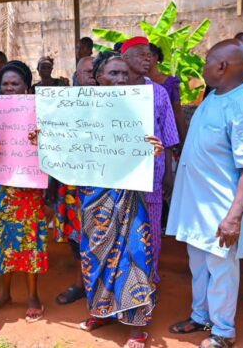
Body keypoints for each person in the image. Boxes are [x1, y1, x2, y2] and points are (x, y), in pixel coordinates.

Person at [167, 39, 243, 348]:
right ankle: (201, 317)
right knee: (198, 264)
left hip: (222, 207)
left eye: (208, 62)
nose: (203, 67)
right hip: (197, 204)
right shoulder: (214, 97)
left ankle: (223, 332)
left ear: (222, 66)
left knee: (221, 269)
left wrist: (233, 218)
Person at [70, 51, 169, 348]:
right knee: (95, 255)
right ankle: (102, 311)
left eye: (124, 74)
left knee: (133, 252)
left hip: (128, 193)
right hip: (93, 194)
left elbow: (145, 147)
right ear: (98, 78)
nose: (121, 79)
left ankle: (137, 323)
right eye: (113, 74)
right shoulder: (82, 109)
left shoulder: (136, 108)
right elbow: (68, 143)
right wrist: (46, 140)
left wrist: (154, 148)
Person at [0, 60, 48, 323]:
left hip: (29, 186)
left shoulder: (39, 110)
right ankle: (5, 293)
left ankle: (33, 295)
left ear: (27, 87)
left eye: (15, 84)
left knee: (29, 240)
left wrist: (41, 138)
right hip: (3, 185)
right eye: (5, 84)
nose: (9, 89)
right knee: (4, 240)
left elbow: (53, 143)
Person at [121, 37, 180, 283]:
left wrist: (167, 173)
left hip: (152, 174)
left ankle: (148, 278)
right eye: (140, 54)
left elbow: (167, 136)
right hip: (118, 175)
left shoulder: (158, 92)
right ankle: (123, 278)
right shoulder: (111, 93)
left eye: (149, 55)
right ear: (124, 58)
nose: (147, 58)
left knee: (152, 228)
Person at [53, 55, 94, 306]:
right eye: (86, 72)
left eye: (94, 71)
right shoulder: (65, 104)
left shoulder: (115, 102)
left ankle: (96, 284)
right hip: (72, 183)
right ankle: (81, 283)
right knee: (75, 234)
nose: (90, 75)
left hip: (105, 182)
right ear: (76, 77)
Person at [148, 43, 187, 145]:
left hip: (166, 132)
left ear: (156, 57)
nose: (144, 59)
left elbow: (177, 112)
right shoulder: (135, 82)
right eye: (140, 56)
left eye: (147, 55)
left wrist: (184, 141)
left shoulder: (170, 82)